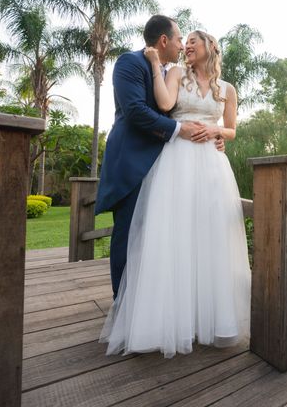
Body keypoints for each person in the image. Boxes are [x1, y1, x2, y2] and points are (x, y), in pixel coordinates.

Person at [100, 30, 251, 358]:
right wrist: (156, 65)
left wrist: (216, 131)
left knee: (208, 237)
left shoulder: (227, 89)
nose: (187, 46)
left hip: (212, 163)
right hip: (177, 161)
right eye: (185, 42)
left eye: (194, 42)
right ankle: (166, 320)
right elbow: (167, 105)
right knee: (173, 235)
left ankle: (205, 319)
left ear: (210, 47)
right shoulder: (176, 73)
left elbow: (232, 128)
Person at [95, 15, 223, 300]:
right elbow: (136, 111)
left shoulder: (172, 72)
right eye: (180, 39)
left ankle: (152, 303)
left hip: (166, 166)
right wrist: (181, 129)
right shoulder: (130, 62)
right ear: (164, 40)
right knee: (129, 235)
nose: (182, 45)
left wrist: (214, 136)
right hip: (133, 164)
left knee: (158, 237)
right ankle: (123, 306)